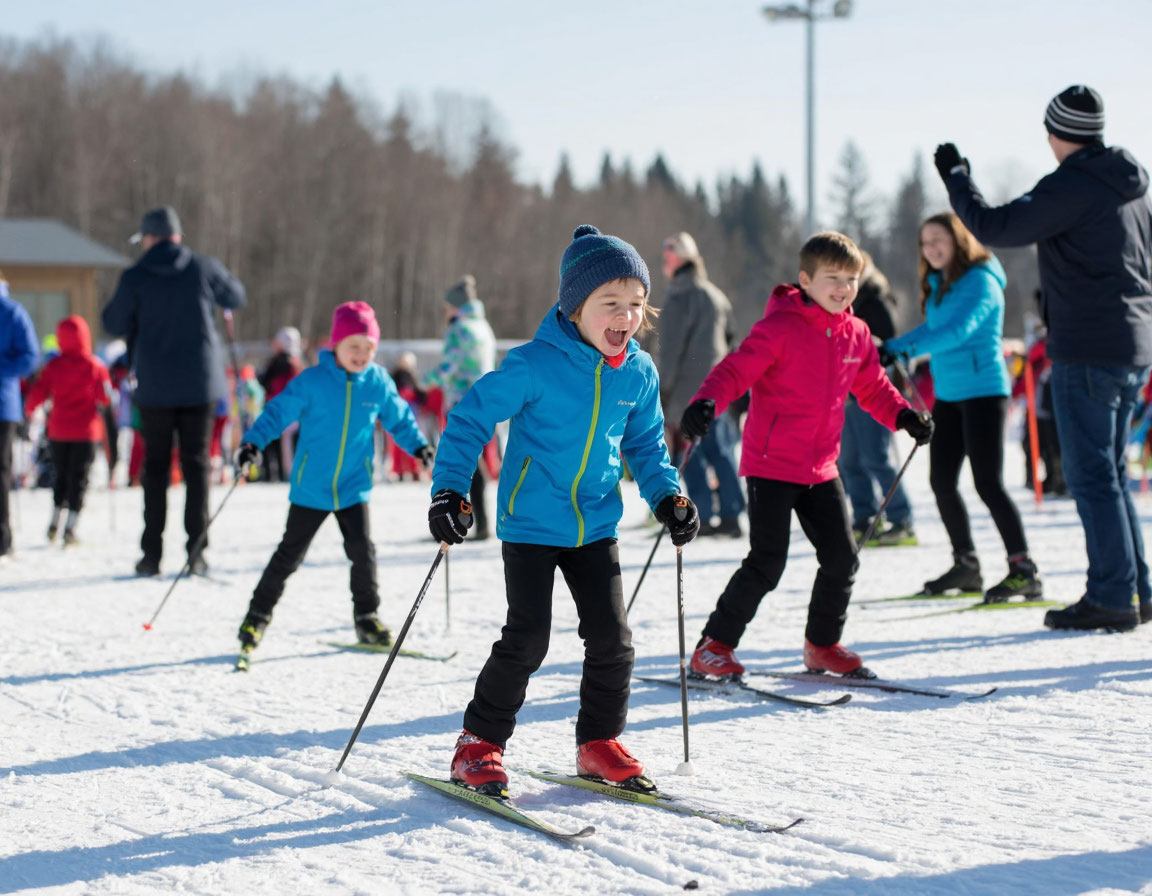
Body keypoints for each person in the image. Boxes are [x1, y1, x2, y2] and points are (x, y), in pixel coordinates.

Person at [429, 225, 699, 796]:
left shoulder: (639, 373)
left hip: (595, 522)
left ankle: (598, 742)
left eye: (635, 304)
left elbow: (646, 446)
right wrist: (450, 490)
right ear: (574, 307)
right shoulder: (533, 365)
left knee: (614, 640)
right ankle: (478, 744)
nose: (624, 316)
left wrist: (668, 496)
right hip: (530, 522)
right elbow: (470, 418)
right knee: (528, 639)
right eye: (610, 304)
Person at [936, 84, 1152, 631]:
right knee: (1108, 472)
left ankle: (1110, 596)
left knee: (1093, 476)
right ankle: (1136, 590)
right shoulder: (1132, 187)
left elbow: (995, 227)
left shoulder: (1074, 186)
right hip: (1133, 345)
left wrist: (958, 179)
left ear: (1057, 134)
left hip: (1090, 347)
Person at [681, 232, 931, 680]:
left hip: (820, 467)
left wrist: (904, 417)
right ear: (805, 280)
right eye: (832, 278)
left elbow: (873, 387)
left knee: (842, 557)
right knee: (767, 562)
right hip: (771, 464)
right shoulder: (779, 328)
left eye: (851, 279)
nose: (842, 288)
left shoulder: (856, 334)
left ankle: (822, 644)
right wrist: (707, 402)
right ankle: (713, 646)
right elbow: (735, 371)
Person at [233, 302, 434, 653]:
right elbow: (277, 413)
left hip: (353, 486)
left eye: (368, 347)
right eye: (353, 346)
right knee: (288, 556)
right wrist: (252, 443)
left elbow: (399, 419)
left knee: (362, 552)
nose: (361, 354)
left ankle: (367, 618)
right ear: (335, 345)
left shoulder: (377, 383)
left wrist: (419, 448)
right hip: (312, 486)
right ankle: (256, 617)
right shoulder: (312, 381)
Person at [883, 213, 1040, 603]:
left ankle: (1024, 570)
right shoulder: (939, 284)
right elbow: (933, 331)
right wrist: (892, 345)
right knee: (941, 481)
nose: (931, 249)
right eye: (925, 242)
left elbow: (957, 332)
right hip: (950, 395)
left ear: (958, 241)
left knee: (988, 483)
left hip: (984, 390)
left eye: (938, 240)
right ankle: (966, 564)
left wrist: (904, 347)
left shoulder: (981, 280)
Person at [102, 206, 247, 577]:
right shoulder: (203, 267)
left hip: (154, 384)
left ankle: (151, 554)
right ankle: (196, 552)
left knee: (155, 468)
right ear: (178, 236)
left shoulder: (136, 275)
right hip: (200, 383)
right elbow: (236, 296)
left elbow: (113, 322)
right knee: (196, 466)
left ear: (149, 238)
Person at [656, 231, 745, 537]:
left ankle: (703, 514)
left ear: (679, 259)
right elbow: (731, 341)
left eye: (667, 256)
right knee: (719, 450)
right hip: (718, 388)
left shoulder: (680, 296)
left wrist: (661, 390)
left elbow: (670, 350)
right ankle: (732, 512)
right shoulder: (716, 295)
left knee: (688, 453)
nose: (663, 263)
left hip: (685, 392)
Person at [838, 252, 917, 546]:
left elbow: (888, 344)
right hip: (845, 392)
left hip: (872, 388)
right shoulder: (842, 302)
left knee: (876, 457)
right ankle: (864, 515)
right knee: (850, 460)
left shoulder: (877, 299)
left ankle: (901, 518)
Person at [23, 316, 111, 545]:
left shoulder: (54, 366)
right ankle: (71, 526)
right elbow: (106, 397)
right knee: (79, 478)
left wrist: (29, 409)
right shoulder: (95, 366)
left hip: (59, 431)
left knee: (60, 475)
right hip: (86, 432)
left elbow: (37, 393)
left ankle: (55, 519)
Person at [426, 275, 496, 539]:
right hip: (484, 401)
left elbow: (450, 366)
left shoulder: (459, 328)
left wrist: (426, 382)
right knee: (477, 460)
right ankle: (483, 520)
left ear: (455, 306)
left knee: (463, 462)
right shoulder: (483, 327)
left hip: (461, 402)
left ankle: (477, 522)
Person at [0, 270, 39, 561]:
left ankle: (2, 536)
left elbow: (29, 356)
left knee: (0, 471)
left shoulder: (12, 312)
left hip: (3, 405)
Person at [257, 327, 305, 482]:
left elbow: (267, 382)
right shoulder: (297, 361)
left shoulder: (283, 362)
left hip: (281, 410)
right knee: (285, 444)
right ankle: (283, 473)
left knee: (280, 444)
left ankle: (277, 474)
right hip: (291, 411)